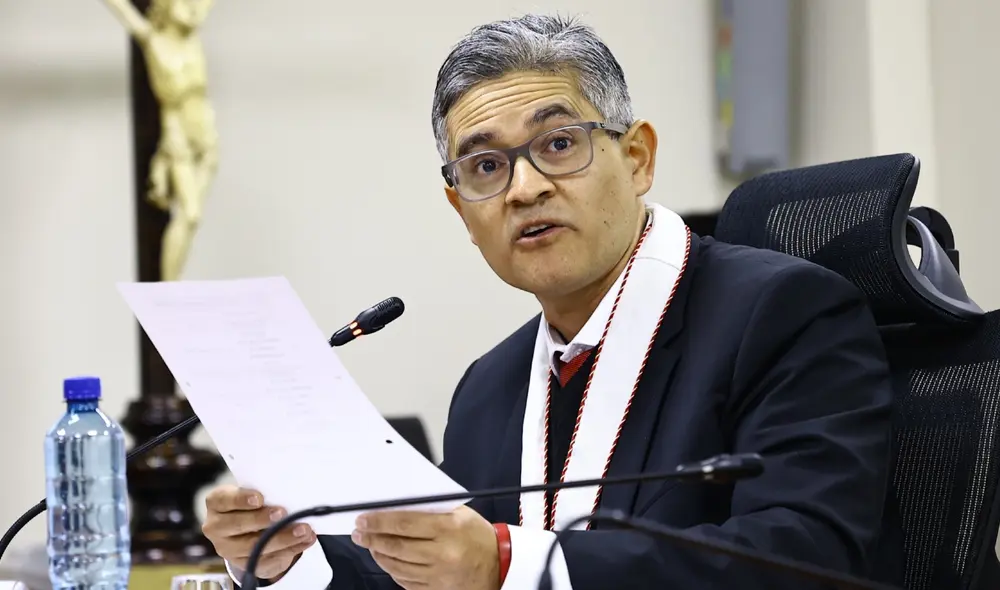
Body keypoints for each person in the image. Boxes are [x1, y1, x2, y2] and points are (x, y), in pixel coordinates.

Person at [203, 14, 897, 590]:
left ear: (637, 159)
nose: (524, 188)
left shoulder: (785, 315)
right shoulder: (491, 387)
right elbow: (437, 569)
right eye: (485, 166)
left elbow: (806, 558)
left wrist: (509, 563)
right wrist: (284, 560)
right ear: (461, 210)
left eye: (558, 144)